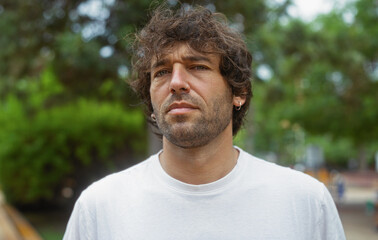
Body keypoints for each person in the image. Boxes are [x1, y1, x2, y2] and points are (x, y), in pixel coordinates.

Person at [64, 5, 345, 240]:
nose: (176, 83)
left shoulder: (305, 202)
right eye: (161, 72)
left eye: (198, 67)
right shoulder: (99, 208)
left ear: (239, 93)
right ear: (150, 101)